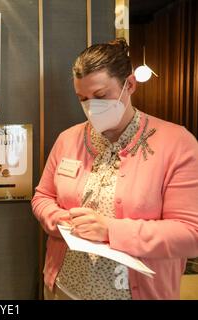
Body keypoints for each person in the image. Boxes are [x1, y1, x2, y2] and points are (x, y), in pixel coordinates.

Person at [32, 39, 198, 300]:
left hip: (135, 293)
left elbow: (190, 234)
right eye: (82, 99)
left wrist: (111, 230)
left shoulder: (177, 143)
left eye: (100, 96)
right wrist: (59, 220)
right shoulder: (68, 139)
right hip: (65, 286)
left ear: (129, 85)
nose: (90, 107)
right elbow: (42, 197)